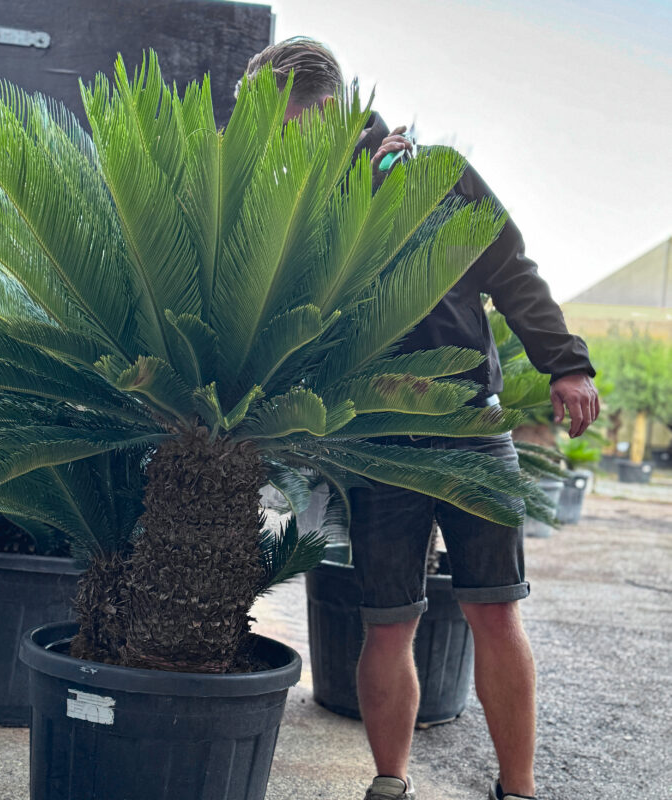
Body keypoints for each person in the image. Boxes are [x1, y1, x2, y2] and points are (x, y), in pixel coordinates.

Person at [236, 37, 599, 800]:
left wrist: (565, 364)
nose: (269, 143)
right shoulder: (295, 202)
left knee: (494, 612)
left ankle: (519, 790)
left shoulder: (432, 172)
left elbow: (511, 270)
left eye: (275, 125)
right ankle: (390, 783)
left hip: (470, 428)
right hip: (374, 441)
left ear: (320, 110)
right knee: (387, 620)